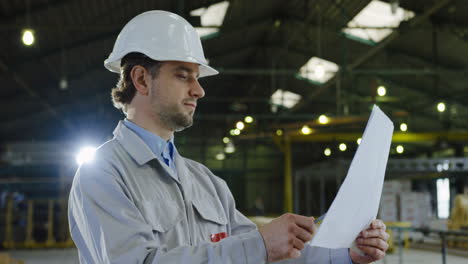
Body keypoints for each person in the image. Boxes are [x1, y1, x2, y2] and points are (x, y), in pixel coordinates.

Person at [68, 10, 389, 263]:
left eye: (197, 77)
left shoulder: (206, 182)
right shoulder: (103, 174)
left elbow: (268, 255)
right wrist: (259, 245)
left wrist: (344, 254)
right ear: (141, 79)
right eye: (183, 75)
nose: (198, 90)